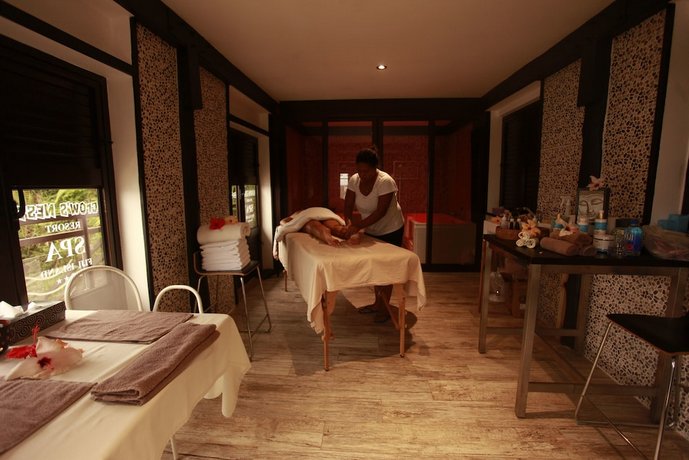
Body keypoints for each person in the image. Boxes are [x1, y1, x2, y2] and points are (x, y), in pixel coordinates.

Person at [344, 146, 405, 322]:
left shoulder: (385, 181)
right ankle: (377, 303)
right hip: (371, 229)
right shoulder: (354, 180)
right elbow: (348, 204)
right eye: (359, 170)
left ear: (375, 168)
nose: (362, 174)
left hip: (391, 229)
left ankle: (384, 309)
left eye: (366, 171)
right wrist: (348, 222)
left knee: (387, 268)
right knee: (376, 268)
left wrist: (358, 227)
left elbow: (381, 212)